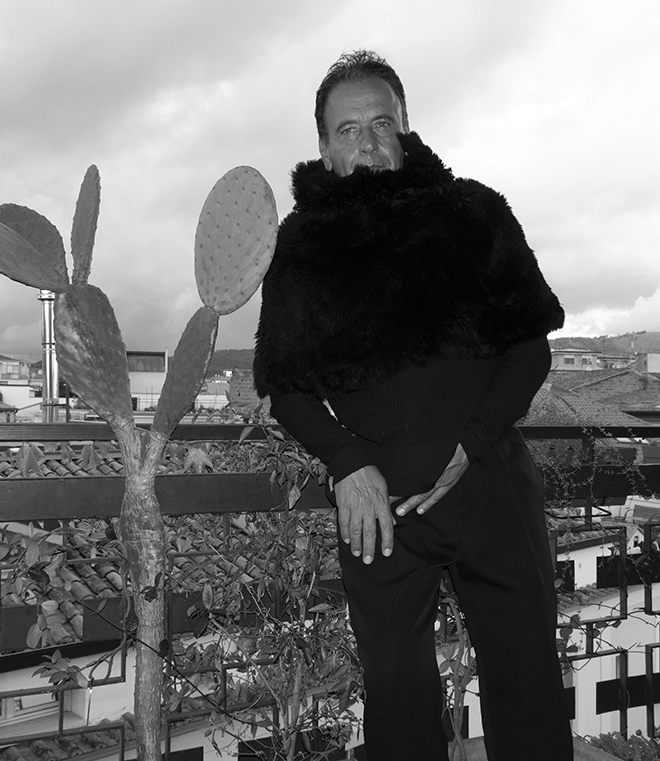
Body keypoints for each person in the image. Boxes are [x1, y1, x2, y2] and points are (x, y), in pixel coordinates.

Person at [253, 50, 572, 760]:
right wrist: (345, 462)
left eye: (380, 123)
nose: (367, 143)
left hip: (491, 484)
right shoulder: (300, 248)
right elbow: (286, 387)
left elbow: (529, 350)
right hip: (380, 508)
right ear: (324, 148)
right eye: (347, 130)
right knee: (395, 693)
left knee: (526, 678)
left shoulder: (475, 213)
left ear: (404, 126)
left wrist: (471, 443)